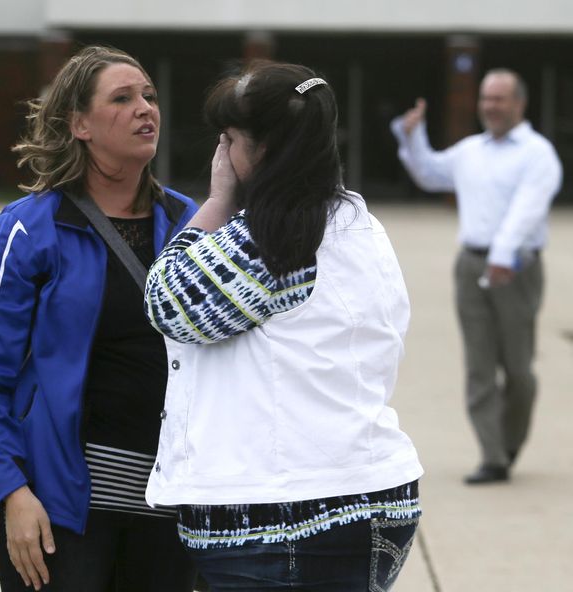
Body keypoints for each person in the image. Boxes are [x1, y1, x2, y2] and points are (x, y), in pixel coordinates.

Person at [143, 61, 424, 591]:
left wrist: (218, 200)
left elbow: (167, 299)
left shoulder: (277, 240)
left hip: (286, 521)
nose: (221, 154)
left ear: (264, 148)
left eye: (229, 139)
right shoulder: (356, 222)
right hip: (362, 496)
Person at [0, 46, 199, 591]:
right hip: (58, 514)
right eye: (123, 98)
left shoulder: (193, 226)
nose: (145, 109)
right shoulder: (29, 230)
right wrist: (10, 493)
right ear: (79, 124)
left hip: (167, 511)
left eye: (150, 96)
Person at [390, 68, 562, 485]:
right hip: (470, 265)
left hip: (517, 266)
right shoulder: (471, 150)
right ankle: (493, 455)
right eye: (486, 98)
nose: (490, 106)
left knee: (518, 370)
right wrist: (412, 137)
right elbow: (430, 173)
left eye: (499, 99)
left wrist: (503, 255)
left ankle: (510, 440)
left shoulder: (537, 153)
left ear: (519, 104)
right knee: (479, 366)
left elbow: (528, 209)